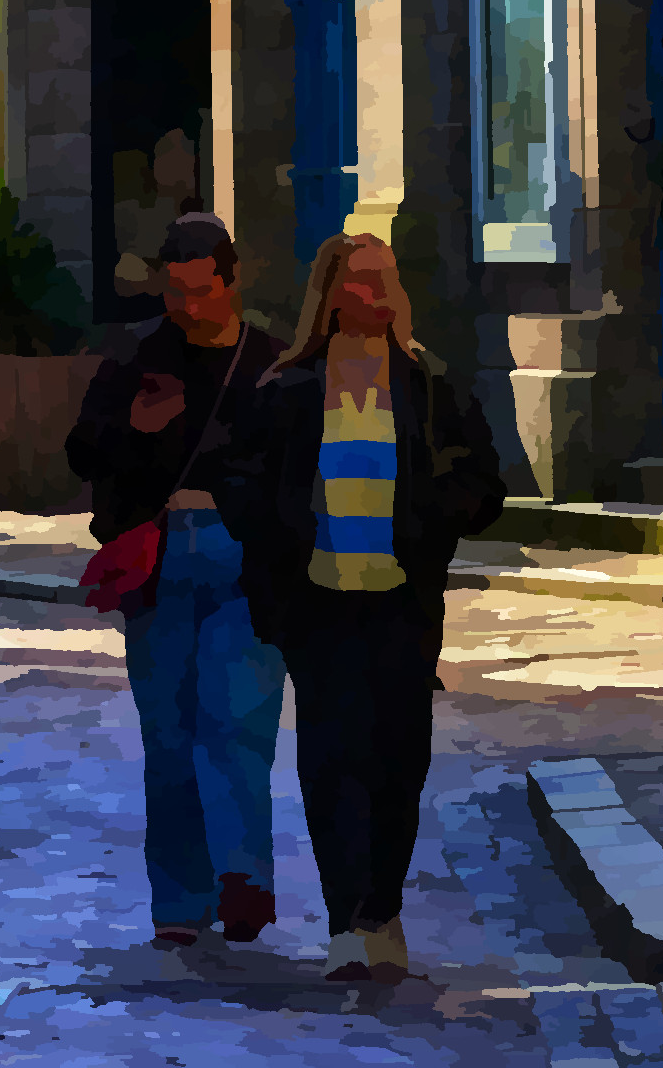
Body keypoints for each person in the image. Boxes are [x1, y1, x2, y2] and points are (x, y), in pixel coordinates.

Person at [211, 229, 507, 985]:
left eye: (386, 277)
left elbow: (483, 481)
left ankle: (383, 911)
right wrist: (280, 532)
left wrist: (433, 517)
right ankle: (347, 922)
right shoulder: (289, 387)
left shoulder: (428, 384)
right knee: (333, 761)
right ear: (331, 293)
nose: (376, 292)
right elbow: (238, 478)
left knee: (399, 760)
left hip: (402, 606)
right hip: (321, 607)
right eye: (361, 279)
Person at [67, 210, 288, 950]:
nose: (189, 307)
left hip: (245, 555)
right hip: (157, 556)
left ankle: (241, 876)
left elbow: (293, 465)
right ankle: (181, 899)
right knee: (168, 731)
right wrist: (135, 427)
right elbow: (80, 451)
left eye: (202, 291)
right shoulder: (136, 357)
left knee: (239, 719)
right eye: (176, 293)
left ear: (232, 280)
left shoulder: (271, 361)